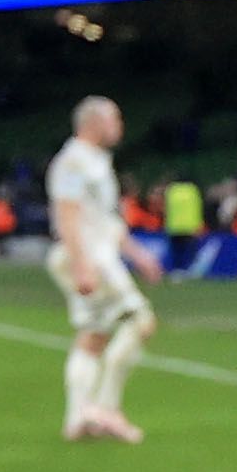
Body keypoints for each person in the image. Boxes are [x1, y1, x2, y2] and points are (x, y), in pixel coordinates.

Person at [50, 91, 153, 443]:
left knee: (94, 336)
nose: (120, 126)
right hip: (93, 260)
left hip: (98, 256)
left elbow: (105, 219)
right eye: (115, 119)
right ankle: (106, 409)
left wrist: (138, 254)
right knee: (140, 322)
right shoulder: (75, 162)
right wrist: (82, 266)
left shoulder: (94, 160)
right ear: (94, 123)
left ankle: (78, 417)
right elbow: (67, 212)